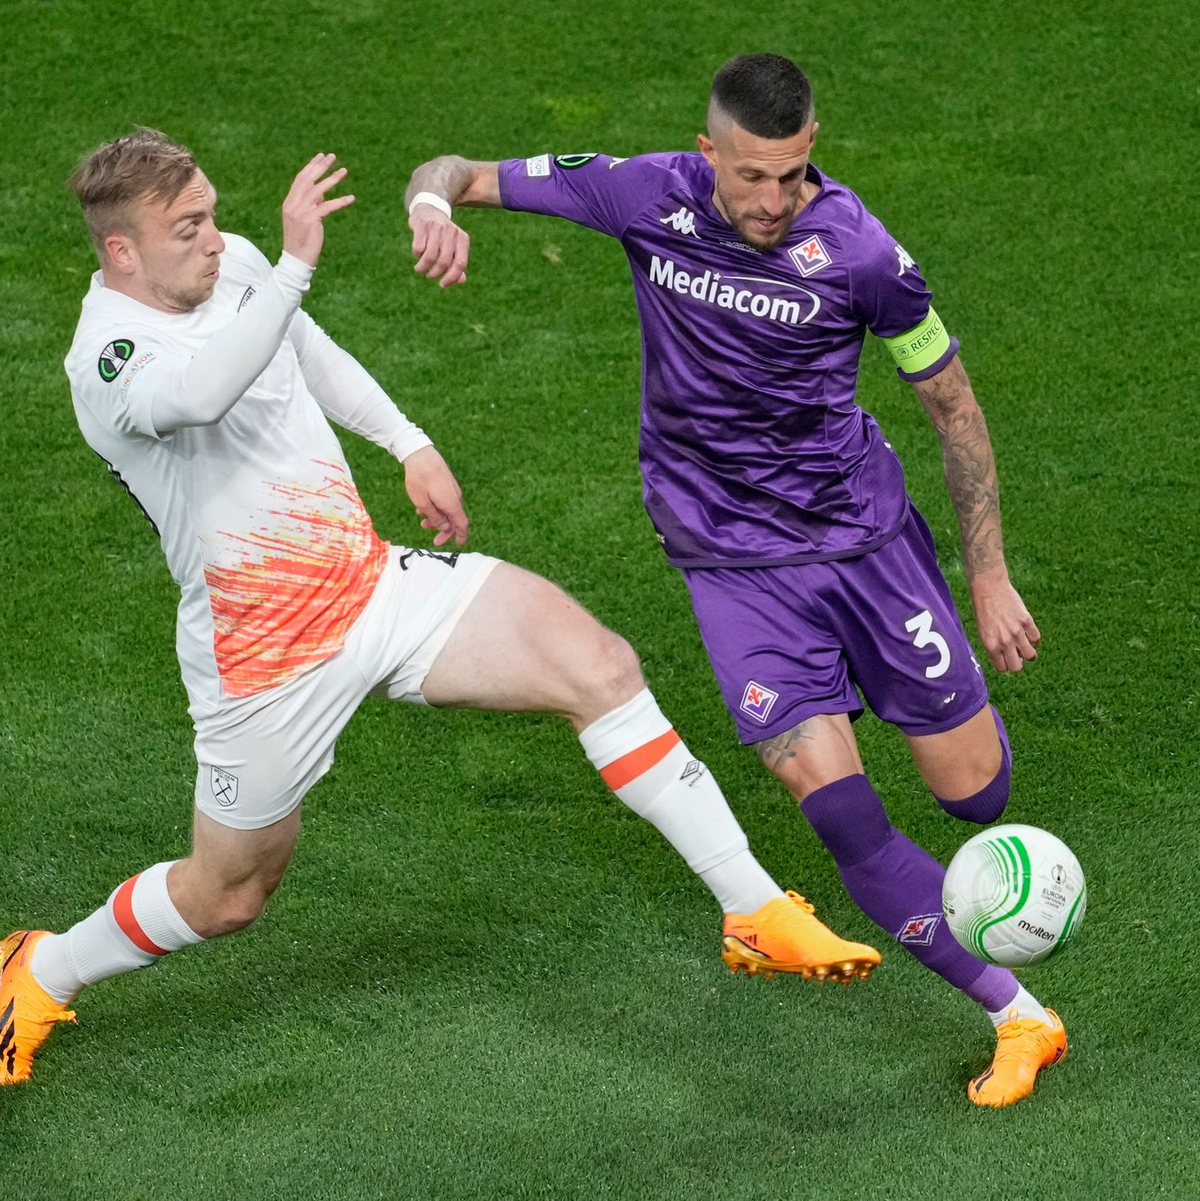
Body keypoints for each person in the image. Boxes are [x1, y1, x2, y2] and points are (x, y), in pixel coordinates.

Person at [0, 129, 882, 1087]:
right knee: (228, 893)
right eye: (188, 228)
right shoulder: (108, 358)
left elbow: (305, 349)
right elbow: (204, 395)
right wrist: (295, 261)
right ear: (120, 250)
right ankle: (40, 970)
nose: (216, 239)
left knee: (600, 666)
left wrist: (408, 442)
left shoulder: (237, 266)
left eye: (212, 215)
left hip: (371, 581)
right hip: (263, 659)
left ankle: (751, 909)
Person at [404, 53, 1066, 1107]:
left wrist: (988, 576)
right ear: (707, 151)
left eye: (793, 174)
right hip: (730, 565)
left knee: (975, 792)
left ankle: (976, 837)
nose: (772, 201)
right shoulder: (639, 192)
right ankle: (1018, 1013)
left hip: (866, 544)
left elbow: (954, 407)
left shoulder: (861, 253)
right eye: (752, 176)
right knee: (841, 816)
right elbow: (455, 169)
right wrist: (431, 205)